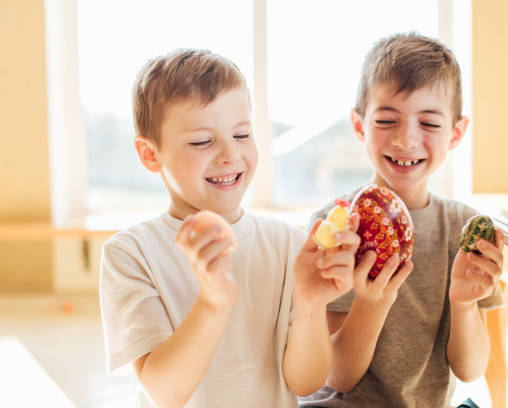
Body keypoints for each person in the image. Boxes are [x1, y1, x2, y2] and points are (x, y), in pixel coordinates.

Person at [99, 48, 362, 408]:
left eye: (241, 135)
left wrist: (311, 305)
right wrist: (212, 302)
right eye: (202, 141)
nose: (229, 155)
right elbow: (164, 393)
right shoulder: (130, 254)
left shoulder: (289, 245)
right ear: (150, 154)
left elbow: (305, 382)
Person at [300, 32, 505, 407]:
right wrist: (372, 301)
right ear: (360, 125)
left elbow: (470, 369)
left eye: (428, 124)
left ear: (456, 133)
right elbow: (337, 375)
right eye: (386, 120)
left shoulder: (465, 228)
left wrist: (462, 304)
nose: (407, 140)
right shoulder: (334, 227)